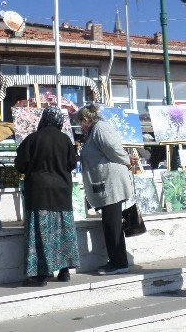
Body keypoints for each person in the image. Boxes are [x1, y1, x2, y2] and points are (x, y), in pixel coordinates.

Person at [15, 107, 80, 286]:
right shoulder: (65, 140)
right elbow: (72, 164)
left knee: (40, 233)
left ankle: (41, 275)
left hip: (38, 191)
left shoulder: (32, 139)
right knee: (63, 232)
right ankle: (64, 271)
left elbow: (20, 165)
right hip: (61, 192)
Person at [76, 103, 134, 275]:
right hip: (107, 182)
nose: (80, 126)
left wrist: (127, 160)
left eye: (81, 122)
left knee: (112, 223)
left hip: (112, 182)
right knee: (111, 222)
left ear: (86, 119)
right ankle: (117, 260)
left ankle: (118, 262)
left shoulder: (100, 128)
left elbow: (114, 149)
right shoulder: (94, 131)